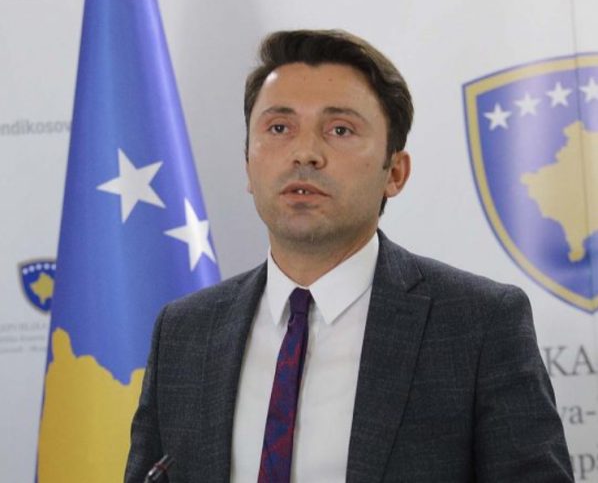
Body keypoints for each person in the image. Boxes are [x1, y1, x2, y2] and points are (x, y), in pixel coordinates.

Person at [125, 30, 573, 482]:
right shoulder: (185, 331)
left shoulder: (478, 324)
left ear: (395, 173)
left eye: (340, 130)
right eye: (278, 128)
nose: (304, 153)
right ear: (247, 164)